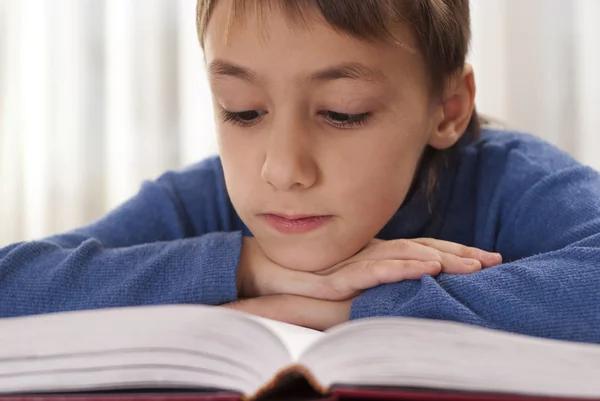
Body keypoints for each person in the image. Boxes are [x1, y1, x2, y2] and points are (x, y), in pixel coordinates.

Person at [1, 0, 599, 343]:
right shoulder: (200, 203)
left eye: (343, 114)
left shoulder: (509, 179)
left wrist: (345, 310)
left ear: (446, 109)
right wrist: (249, 270)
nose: (282, 169)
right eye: (243, 111)